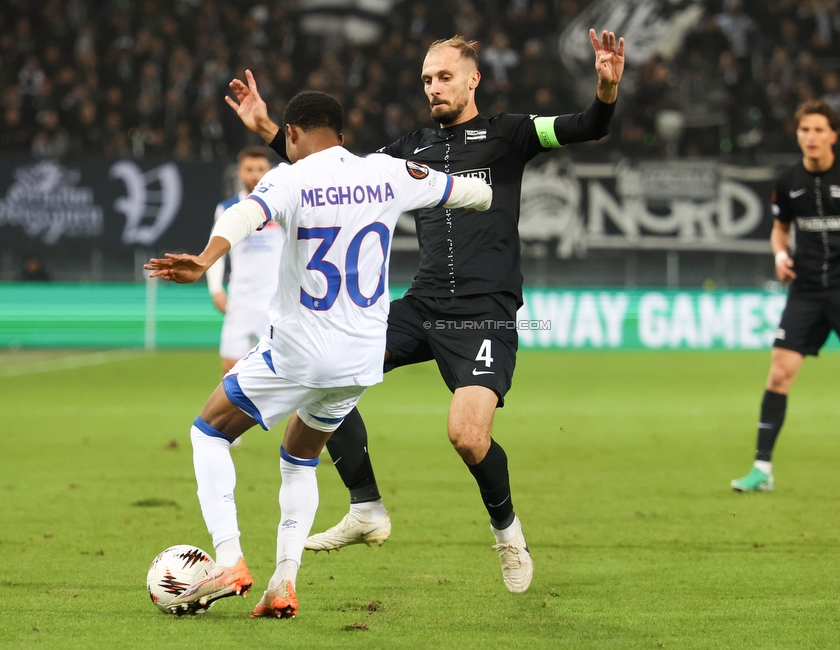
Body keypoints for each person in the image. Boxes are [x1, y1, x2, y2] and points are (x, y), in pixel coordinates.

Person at [224, 29, 625, 594]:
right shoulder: (408, 149)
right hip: (423, 303)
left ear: (472, 78)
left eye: (444, 77)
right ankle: (366, 508)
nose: (434, 88)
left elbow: (588, 126)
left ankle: (508, 532)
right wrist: (270, 128)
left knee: (466, 435)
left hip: (486, 311)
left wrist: (605, 89)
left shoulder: (510, 133)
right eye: (427, 80)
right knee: (326, 374)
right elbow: (331, 174)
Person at [144, 90, 492, 618]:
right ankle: (283, 583)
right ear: (343, 136)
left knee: (208, 432)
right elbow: (476, 194)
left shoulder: (290, 178)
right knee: (299, 457)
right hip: (360, 358)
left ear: (290, 135)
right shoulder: (389, 172)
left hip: (300, 349)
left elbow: (243, 214)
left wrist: (205, 258)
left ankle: (230, 558)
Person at [730, 100, 840, 495]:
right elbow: (779, 229)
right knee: (779, 372)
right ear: (798, 134)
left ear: (834, 136)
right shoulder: (789, 181)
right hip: (805, 292)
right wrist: (779, 255)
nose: (811, 137)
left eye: (819, 130)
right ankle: (762, 468)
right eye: (805, 129)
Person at [206, 147, 283, 373]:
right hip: (239, 300)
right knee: (231, 370)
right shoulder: (228, 208)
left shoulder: (280, 207)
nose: (255, 175)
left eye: (260, 169)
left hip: (275, 301)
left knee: (281, 373)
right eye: (249, 169)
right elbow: (215, 250)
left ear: (269, 172)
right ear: (239, 173)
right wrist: (215, 288)